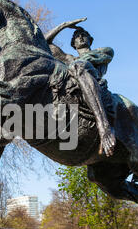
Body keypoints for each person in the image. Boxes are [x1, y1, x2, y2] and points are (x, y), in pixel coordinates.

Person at [45, 19, 116, 157]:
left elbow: (90, 60)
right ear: (73, 44)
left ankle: (104, 126)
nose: (80, 37)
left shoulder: (104, 51)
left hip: (94, 82)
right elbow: (45, 42)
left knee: (77, 66)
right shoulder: (68, 58)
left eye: (83, 34)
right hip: (75, 87)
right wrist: (64, 25)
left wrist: (74, 62)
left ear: (90, 39)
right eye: (77, 36)